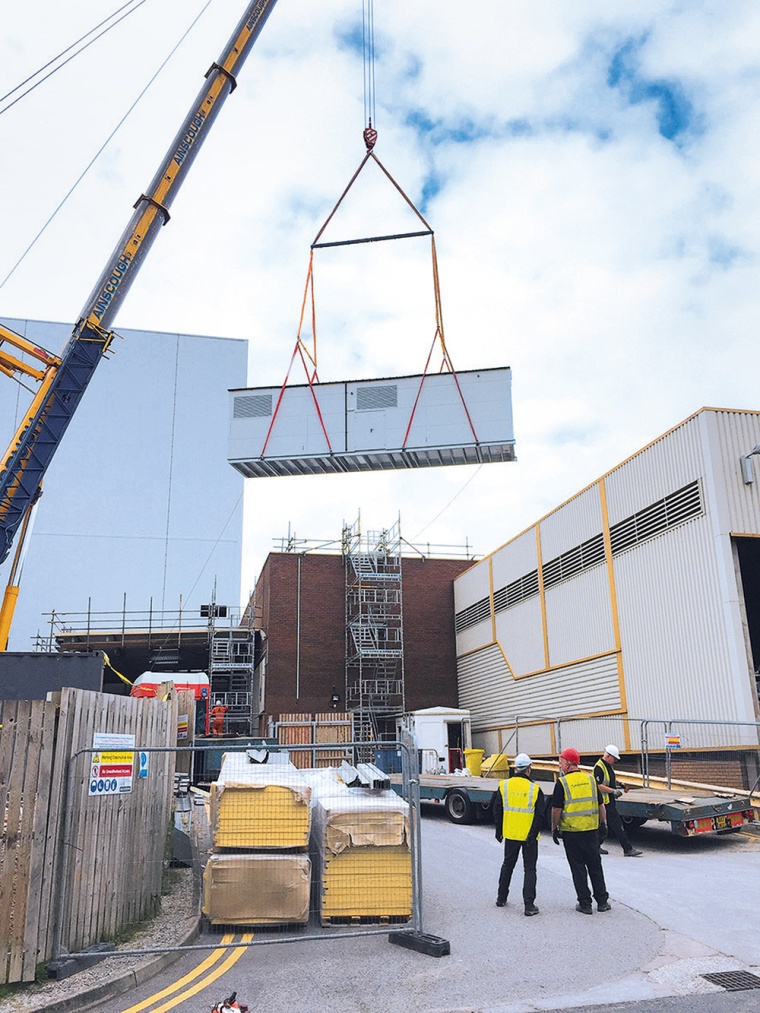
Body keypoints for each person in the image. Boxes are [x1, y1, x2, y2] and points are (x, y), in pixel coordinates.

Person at [551, 747, 611, 914]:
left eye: (561, 762)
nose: (560, 766)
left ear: (569, 764)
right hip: (591, 831)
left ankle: (585, 904)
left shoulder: (562, 783)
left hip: (572, 833)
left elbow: (556, 809)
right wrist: (603, 824)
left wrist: (554, 828)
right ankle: (602, 902)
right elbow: (601, 805)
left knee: (578, 868)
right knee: (595, 866)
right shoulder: (591, 780)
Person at [492, 752, 544, 916]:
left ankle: (501, 898)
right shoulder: (535, 789)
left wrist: (499, 830)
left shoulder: (504, 786)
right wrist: (532, 834)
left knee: (507, 865)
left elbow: (497, 810)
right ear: (529, 769)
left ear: (515, 769)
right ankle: (529, 906)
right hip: (529, 837)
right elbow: (540, 815)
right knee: (530, 869)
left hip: (511, 834)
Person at [594, 744, 643, 857]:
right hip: (603, 802)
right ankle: (627, 849)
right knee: (616, 825)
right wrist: (613, 791)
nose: (615, 760)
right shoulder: (599, 767)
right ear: (608, 756)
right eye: (614, 758)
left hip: (608, 801)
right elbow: (598, 785)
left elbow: (610, 779)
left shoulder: (608, 766)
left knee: (603, 825)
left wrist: (620, 784)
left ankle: (597, 846)